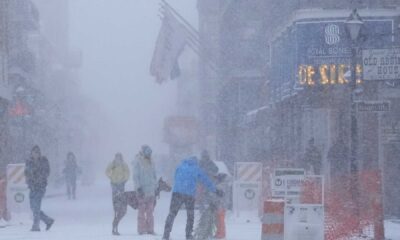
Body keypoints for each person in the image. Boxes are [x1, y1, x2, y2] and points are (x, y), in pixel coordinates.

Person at [162, 156, 222, 240]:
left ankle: (166, 234)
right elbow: (206, 180)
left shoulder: (180, 166)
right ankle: (188, 235)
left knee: (172, 214)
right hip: (189, 195)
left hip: (177, 193)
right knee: (190, 216)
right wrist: (215, 190)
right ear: (196, 162)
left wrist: (180, 186)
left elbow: (175, 177)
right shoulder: (196, 168)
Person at [24, 145, 54, 232]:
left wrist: (40, 177)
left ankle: (35, 226)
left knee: (36, 206)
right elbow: (26, 172)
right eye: (34, 152)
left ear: (39, 153)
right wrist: (29, 178)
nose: (35, 154)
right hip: (32, 186)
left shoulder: (44, 161)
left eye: (37, 152)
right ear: (31, 153)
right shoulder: (29, 162)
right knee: (33, 207)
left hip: (40, 187)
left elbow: (47, 172)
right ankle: (48, 220)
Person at [132, 145, 157, 235]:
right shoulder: (138, 162)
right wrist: (138, 188)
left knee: (150, 211)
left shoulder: (152, 162)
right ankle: (141, 229)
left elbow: (154, 176)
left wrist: (155, 187)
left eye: (150, 153)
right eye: (148, 153)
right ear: (143, 152)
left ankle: (150, 229)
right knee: (141, 211)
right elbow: (135, 176)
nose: (149, 155)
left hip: (151, 191)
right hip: (142, 191)